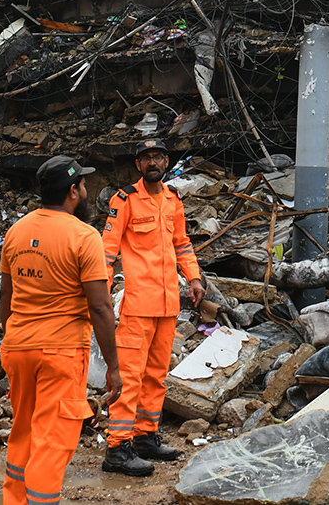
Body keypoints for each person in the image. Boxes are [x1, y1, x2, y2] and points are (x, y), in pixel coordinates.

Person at [1, 155, 122, 505]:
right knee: (52, 443)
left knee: (23, 433)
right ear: (73, 191)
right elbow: (100, 307)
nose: (85, 190)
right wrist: (113, 367)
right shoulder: (84, 236)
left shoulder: (17, 230)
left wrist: (13, 337)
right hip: (60, 352)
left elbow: (6, 296)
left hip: (18, 347)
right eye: (82, 185)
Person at [99, 138, 204, 475]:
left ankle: (145, 436)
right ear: (138, 165)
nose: (152, 163)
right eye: (146, 158)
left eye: (157, 157)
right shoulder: (125, 200)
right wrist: (100, 293)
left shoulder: (173, 199)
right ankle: (117, 448)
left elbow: (182, 243)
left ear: (166, 161)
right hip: (138, 306)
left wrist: (194, 278)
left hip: (168, 304)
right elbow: (107, 250)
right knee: (129, 377)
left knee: (157, 375)